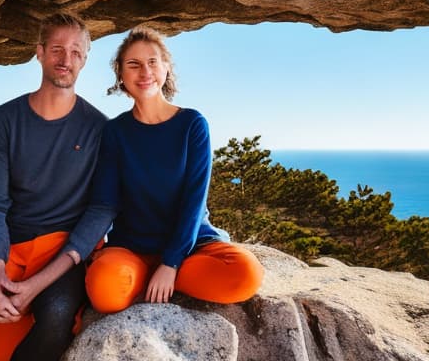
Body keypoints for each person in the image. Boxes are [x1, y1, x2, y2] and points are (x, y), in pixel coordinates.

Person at [31, 25, 264, 313]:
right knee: (105, 292)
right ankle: (151, 279)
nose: (145, 72)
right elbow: (105, 203)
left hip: (191, 248)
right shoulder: (115, 132)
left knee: (245, 275)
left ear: (166, 68)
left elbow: (194, 202)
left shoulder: (192, 124)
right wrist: (79, 249)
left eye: (153, 62)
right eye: (134, 64)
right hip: (133, 249)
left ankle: (162, 280)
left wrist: (170, 264)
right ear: (121, 74)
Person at [0, 14, 106, 361]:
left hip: (60, 252)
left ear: (84, 59)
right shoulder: (4, 120)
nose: (65, 60)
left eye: (74, 52)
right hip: (7, 240)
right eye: (56, 49)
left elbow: (101, 210)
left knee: (57, 315)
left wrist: (35, 286)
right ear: (39, 53)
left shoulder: (99, 129)